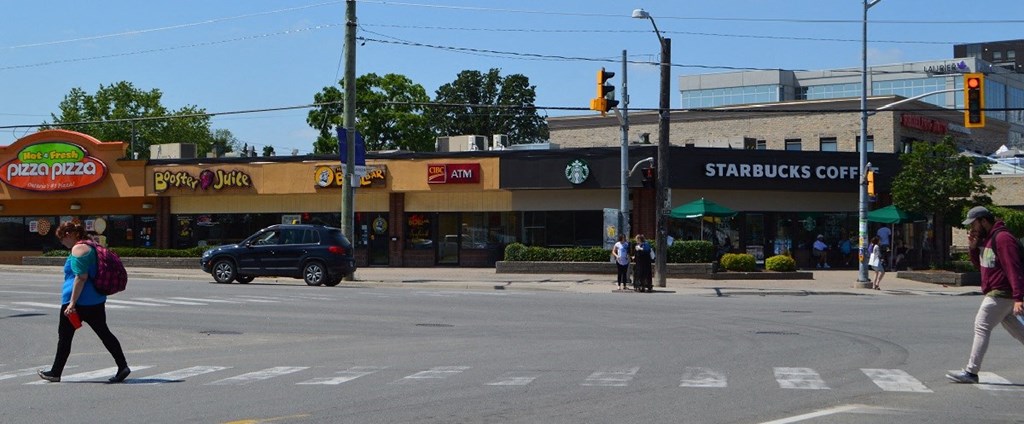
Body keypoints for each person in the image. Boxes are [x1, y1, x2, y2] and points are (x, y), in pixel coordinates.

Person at [38, 221, 131, 384]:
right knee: (104, 333)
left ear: (69, 235)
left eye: (62, 239)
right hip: (96, 300)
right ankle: (122, 366)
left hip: (78, 302)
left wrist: (72, 303)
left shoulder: (78, 249)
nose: (62, 243)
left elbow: (81, 277)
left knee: (65, 337)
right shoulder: (92, 246)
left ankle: (55, 372)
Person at [947, 206, 1024, 384]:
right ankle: (971, 372)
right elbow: (981, 265)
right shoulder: (987, 240)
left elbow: (1014, 268)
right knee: (1020, 333)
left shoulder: (1002, 238)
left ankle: (971, 372)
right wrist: (973, 247)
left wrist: (1019, 297)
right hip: (1000, 294)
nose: (971, 229)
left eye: (973, 224)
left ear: (983, 221)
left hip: (1002, 293)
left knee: (981, 326)